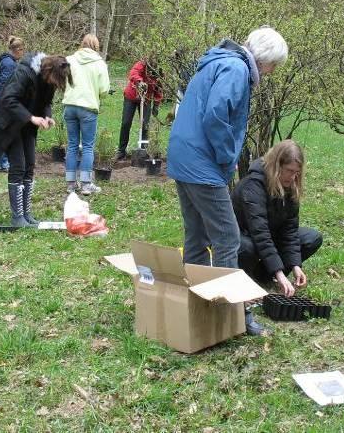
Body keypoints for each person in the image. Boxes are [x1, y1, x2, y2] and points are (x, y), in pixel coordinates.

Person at [167, 26, 288, 335]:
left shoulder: (219, 61)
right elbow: (216, 115)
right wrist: (226, 154)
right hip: (201, 163)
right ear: (265, 60)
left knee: (196, 235)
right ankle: (230, 314)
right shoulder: (235, 68)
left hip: (183, 157)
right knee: (228, 238)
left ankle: (195, 305)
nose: (272, 72)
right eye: (274, 66)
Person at [0, 53, 72, 228]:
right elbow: (8, 99)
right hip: (10, 123)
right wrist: (31, 117)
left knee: (30, 165)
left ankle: (26, 213)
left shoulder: (48, 80)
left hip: (27, 126)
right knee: (18, 166)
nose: (54, 84)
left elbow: (46, 102)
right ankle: (17, 216)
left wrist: (47, 117)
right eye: (54, 80)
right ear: (48, 70)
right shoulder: (24, 72)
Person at [233, 140, 323, 300]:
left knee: (311, 238)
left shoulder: (290, 186)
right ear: (276, 165)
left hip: (269, 237)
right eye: (289, 170)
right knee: (247, 247)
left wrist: (295, 266)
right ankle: (245, 277)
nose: (293, 176)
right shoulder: (252, 187)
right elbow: (260, 234)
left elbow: (289, 230)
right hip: (244, 238)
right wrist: (280, 274)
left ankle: (263, 276)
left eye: (297, 172)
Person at [62, 34, 111, 195]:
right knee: (88, 146)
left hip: (70, 105)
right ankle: (85, 184)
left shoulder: (69, 59)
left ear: (81, 44)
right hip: (88, 107)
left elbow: (62, 81)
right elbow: (104, 90)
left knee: (72, 144)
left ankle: (70, 184)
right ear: (96, 46)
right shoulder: (99, 64)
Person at [116, 58, 164, 160]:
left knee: (145, 125)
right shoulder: (142, 63)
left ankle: (143, 150)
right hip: (131, 96)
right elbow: (133, 73)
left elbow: (159, 89)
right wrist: (139, 82)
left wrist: (156, 104)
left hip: (146, 98)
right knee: (126, 122)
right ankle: (121, 150)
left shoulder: (160, 71)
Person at [0, 36, 26, 172]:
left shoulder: (10, 62)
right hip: (4, 103)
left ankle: (5, 161)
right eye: (22, 50)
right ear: (17, 49)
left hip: (5, 102)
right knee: (4, 133)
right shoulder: (8, 64)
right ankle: (3, 162)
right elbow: (5, 85)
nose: (23, 52)